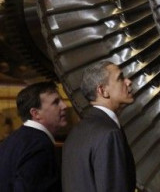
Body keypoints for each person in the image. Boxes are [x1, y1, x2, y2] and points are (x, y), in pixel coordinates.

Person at [62, 61, 136, 192]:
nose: (128, 82)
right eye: (120, 78)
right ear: (103, 90)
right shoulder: (109, 133)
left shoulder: (75, 132)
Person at [0, 81, 68, 192]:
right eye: (56, 102)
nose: (64, 106)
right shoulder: (39, 145)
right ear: (35, 113)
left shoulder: (9, 142)